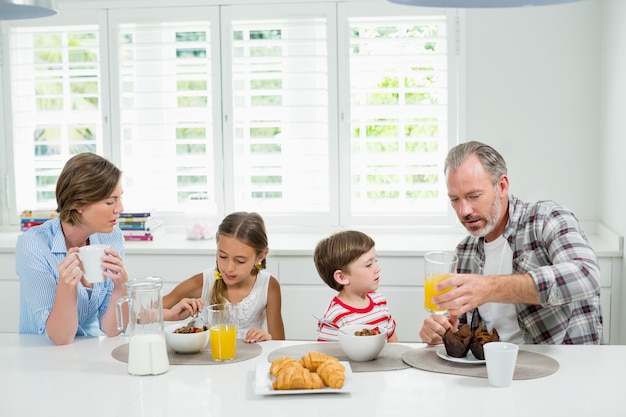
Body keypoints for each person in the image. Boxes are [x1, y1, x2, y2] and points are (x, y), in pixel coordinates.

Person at [419, 141, 603, 345]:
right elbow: (462, 329)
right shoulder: (465, 252)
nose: (464, 211)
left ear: (502, 186)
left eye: (474, 196)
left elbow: (587, 275)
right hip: (496, 369)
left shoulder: (546, 219)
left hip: (565, 366)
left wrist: (490, 287)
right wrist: (443, 333)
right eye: (455, 199)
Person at [16, 153, 201, 346]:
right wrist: (67, 287)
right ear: (79, 204)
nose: (120, 208)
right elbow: (61, 338)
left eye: (120, 198)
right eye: (110, 202)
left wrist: (120, 286)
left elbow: (112, 329)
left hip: (87, 349)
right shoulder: (33, 245)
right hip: (37, 354)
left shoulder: (112, 237)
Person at [163, 211, 285, 343]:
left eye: (240, 261)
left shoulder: (268, 286)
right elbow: (141, 314)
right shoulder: (202, 282)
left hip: (251, 361)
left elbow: (279, 344)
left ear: (260, 257)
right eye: (223, 256)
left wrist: (268, 338)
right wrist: (171, 314)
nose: (229, 268)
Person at [314, 230, 398, 342]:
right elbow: (328, 357)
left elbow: (393, 343)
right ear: (342, 277)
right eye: (368, 265)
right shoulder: (335, 317)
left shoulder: (379, 301)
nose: (378, 268)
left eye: (375, 261)